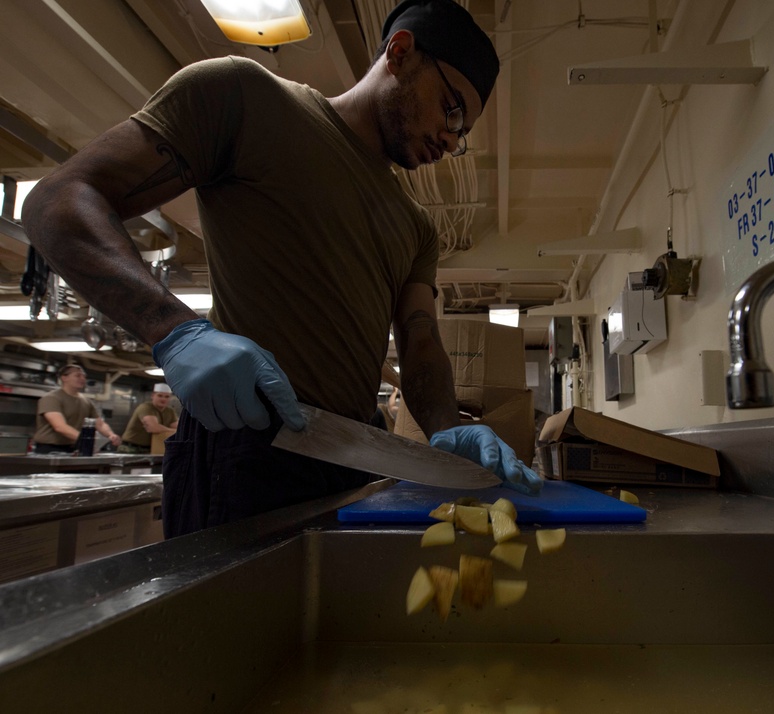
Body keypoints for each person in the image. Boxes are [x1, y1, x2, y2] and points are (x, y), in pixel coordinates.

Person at [22, 0, 542, 536]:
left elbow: (419, 334)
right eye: (451, 109)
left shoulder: (416, 227)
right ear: (401, 51)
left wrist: (443, 424)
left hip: (352, 460)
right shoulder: (248, 100)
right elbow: (58, 201)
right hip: (244, 452)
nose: (450, 138)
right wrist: (176, 333)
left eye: (462, 135)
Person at [32, 365, 122, 455]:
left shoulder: (86, 401)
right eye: (78, 375)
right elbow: (60, 426)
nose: (82, 378)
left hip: (74, 447)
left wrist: (111, 435)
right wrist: (86, 441)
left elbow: (99, 424)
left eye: (84, 376)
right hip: (49, 449)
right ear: (64, 378)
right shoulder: (52, 398)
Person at [118, 383, 179, 454]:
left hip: (149, 448)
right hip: (131, 448)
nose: (163, 399)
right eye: (160, 396)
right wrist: (172, 430)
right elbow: (153, 428)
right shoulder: (145, 407)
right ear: (153, 396)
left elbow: (177, 428)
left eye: (166, 397)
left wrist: (173, 430)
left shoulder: (170, 411)